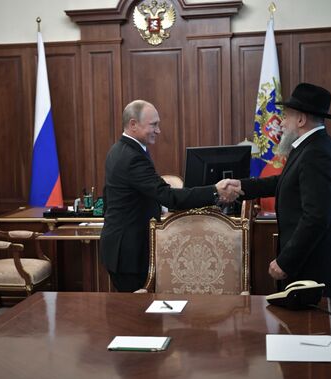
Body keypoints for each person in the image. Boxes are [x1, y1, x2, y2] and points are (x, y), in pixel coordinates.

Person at [235, 83, 331, 338]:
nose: (281, 123)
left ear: (302, 119)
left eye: (286, 116)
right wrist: (241, 187)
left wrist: (286, 261)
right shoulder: (310, 147)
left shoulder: (317, 153)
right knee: (305, 346)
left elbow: (316, 217)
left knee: (315, 348)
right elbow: (282, 183)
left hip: (316, 265)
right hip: (312, 259)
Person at [100, 99, 241, 292]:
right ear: (133, 124)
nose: (158, 130)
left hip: (124, 248)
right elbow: (168, 196)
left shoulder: (121, 150)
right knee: (135, 317)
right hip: (128, 253)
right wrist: (214, 190)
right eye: (154, 125)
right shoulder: (131, 157)